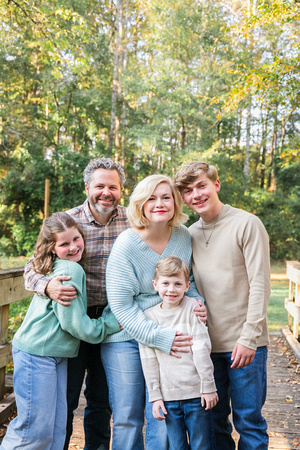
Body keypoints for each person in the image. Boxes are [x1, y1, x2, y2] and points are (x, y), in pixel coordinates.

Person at [23, 157, 129, 449]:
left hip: (112, 323)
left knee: (101, 400)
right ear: (86, 187)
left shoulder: (134, 221)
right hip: (72, 322)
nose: (106, 192)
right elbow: (30, 270)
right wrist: (48, 286)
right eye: (99, 186)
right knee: (66, 400)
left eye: (113, 186)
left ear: (122, 190)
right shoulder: (68, 222)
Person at [101, 174, 207, 450]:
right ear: (140, 204)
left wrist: (197, 304)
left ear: (175, 201)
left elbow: (188, 281)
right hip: (126, 337)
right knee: (128, 416)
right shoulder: (126, 244)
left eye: (166, 197)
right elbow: (122, 306)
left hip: (170, 331)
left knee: (163, 413)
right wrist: (159, 337)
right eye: (151, 198)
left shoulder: (183, 237)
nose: (159, 203)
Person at [1, 212, 121, 450]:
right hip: (37, 354)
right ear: (52, 248)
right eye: (64, 244)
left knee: (55, 428)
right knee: (33, 431)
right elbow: (76, 325)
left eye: (76, 239)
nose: (74, 247)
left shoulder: (62, 265)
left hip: (54, 354)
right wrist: (113, 322)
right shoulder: (70, 270)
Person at [174, 161, 271, 450]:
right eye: (188, 191)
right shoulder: (188, 234)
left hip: (245, 346)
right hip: (205, 346)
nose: (196, 195)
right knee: (214, 424)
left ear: (216, 185)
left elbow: (261, 284)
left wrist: (248, 339)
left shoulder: (247, 224)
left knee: (249, 423)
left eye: (201, 186)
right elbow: (185, 284)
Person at [139, 256, 218, 450]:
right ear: (155, 284)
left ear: (186, 285)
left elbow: (202, 348)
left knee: (202, 445)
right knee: (176, 446)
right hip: (168, 399)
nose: (171, 289)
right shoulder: (149, 317)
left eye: (177, 284)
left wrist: (208, 386)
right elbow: (148, 361)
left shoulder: (193, 308)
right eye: (165, 283)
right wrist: (155, 396)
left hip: (196, 395)